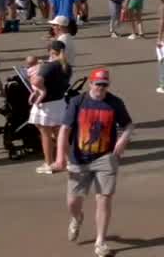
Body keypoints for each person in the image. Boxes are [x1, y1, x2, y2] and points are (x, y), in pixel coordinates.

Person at [53, 68, 133, 257]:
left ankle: (100, 242)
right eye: (98, 84)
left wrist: (123, 139)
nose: (101, 88)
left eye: (105, 85)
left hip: (105, 158)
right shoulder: (77, 102)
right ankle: (77, 217)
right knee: (73, 201)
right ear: (90, 84)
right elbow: (64, 130)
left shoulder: (115, 103)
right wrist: (60, 157)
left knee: (104, 198)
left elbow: (129, 125)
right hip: (78, 158)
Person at [30, 41, 72, 175]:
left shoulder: (49, 66)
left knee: (45, 135)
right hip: (60, 103)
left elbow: (36, 81)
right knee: (61, 134)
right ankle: (69, 161)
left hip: (46, 105)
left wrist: (37, 84)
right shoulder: (67, 66)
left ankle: (49, 163)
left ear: (51, 51)